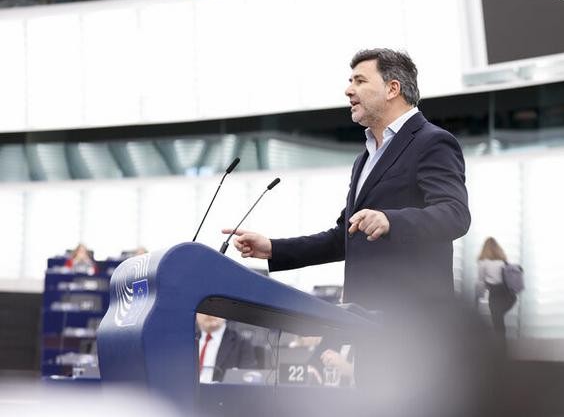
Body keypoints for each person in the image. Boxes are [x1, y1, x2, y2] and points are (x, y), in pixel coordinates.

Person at [222, 48, 471, 313]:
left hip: (413, 325)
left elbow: (455, 215)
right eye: (351, 81)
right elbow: (345, 237)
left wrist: (391, 220)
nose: (348, 90)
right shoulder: (365, 158)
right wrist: (274, 249)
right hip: (364, 320)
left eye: (360, 81)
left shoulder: (432, 141)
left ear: (392, 89)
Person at [196, 313, 258, 383]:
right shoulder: (185, 341)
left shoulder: (242, 344)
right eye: (203, 308)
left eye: (217, 307)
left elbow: (250, 380)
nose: (209, 313)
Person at [476, 237, 517, 343]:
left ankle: (500, 350)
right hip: (510, 297)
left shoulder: (483, 263)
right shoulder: (503, 262)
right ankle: (502, 349)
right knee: (499, 322)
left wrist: (477, 299)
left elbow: (480, 283)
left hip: (496, 296)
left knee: (497, 324)